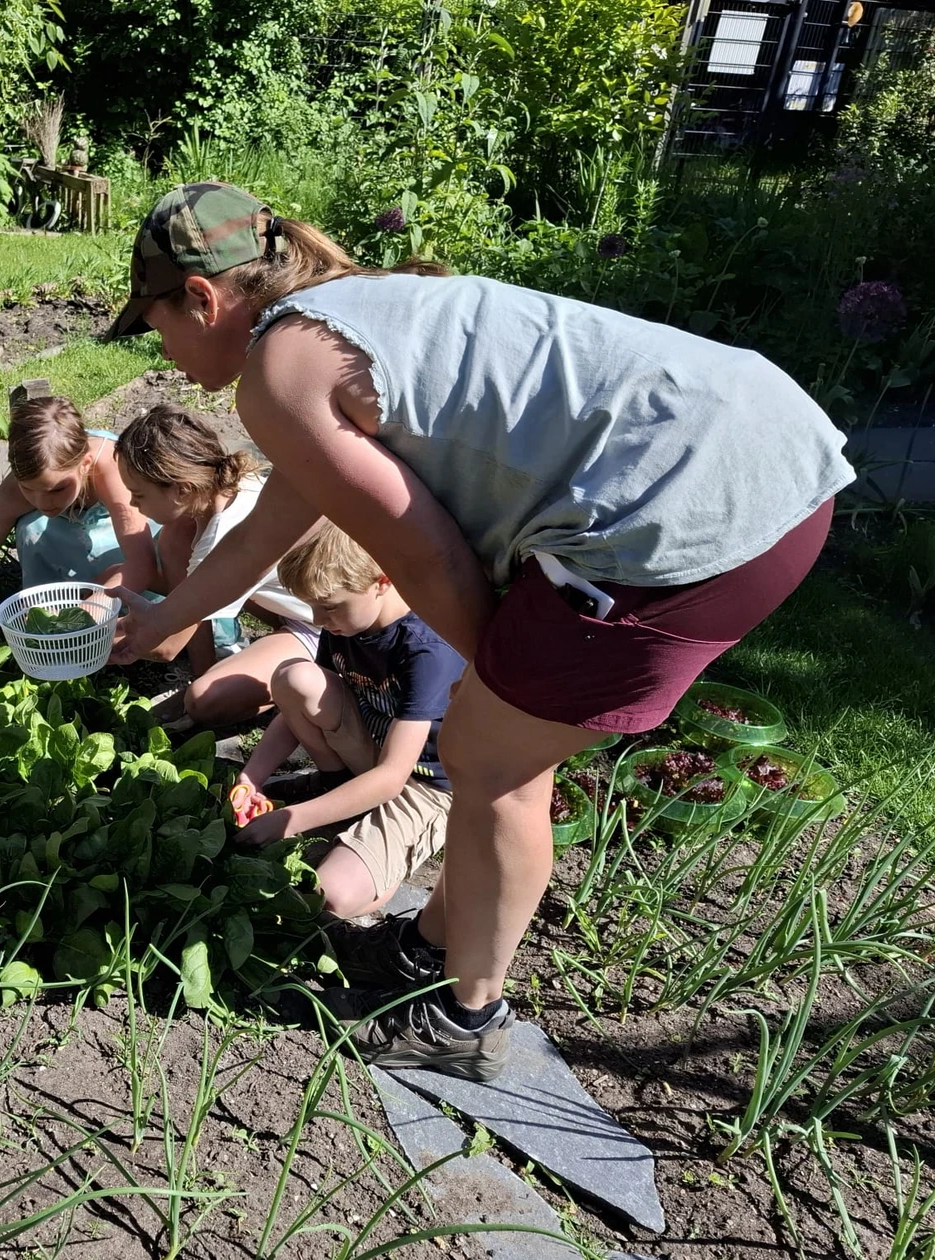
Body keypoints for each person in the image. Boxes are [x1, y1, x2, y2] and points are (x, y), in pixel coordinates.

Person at [105, 182, 854, 1081]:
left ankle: (467, 1020)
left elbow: (427, 563)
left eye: (157, 329)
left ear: (202, 297)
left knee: (493, 765)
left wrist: (489, 677)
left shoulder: (280, 369)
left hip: (691, 509)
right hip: (755, 451)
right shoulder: (336, 318)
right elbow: (268, 537)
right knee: (491, 748)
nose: (168, 355)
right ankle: (426, 952)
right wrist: (162, 615)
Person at [231, 524, 462, 925]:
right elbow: (294, 710)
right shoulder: (345, 624)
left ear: (382, 581)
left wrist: (291, 819)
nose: (318, 618)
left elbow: (393, 777)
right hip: (371, 751)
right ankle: (335, 787)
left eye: (330, 606)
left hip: (423, 783)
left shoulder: (427, 650)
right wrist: (251, 776)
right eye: (312, 607)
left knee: (329, 897)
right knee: (294, 677)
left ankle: (381, 853)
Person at [115, 404, 318, 725]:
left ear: (181, 489)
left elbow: (168, 646)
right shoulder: (229, 488)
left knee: (205, 701)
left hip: (325, 628)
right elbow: (189, 608)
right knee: (174, 539)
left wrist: (91, 640)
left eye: (138, 495)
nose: (131, 503)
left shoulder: (220, 538)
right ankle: (210, 668)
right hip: (292, 608)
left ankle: (324, 677)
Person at [0, 396, 157, 648]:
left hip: (126, 547)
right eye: (29, 490)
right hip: (67, 541)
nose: (42, 502)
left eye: (57, 490)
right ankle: (54, 620)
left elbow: (142, 562)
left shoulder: (112, 469)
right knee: (32, 527)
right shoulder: (18, 487)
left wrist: (97, 603)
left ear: (84, 464)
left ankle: (109, 621)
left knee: (109, 551)